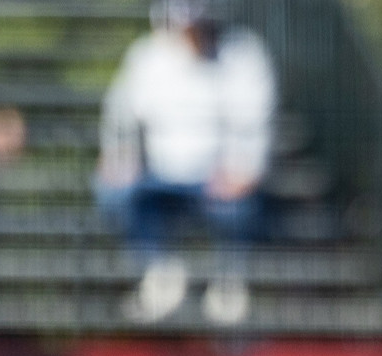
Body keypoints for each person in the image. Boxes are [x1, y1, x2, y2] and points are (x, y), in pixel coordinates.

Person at [95, 0, 275, 326]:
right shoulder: (147, 56)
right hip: (158, 177)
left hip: (216, 179)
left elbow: (255, 123)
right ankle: (159, 272)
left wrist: (243, 168)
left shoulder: (243, 55)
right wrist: (120, 157)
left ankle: (229, 280)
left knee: (241, 205)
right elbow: (119, 115)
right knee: (113, 192)